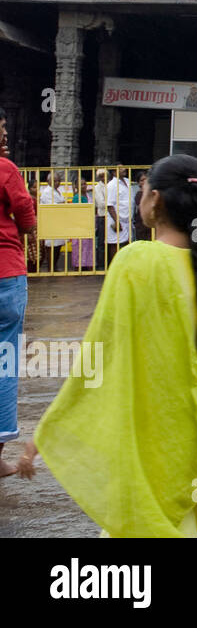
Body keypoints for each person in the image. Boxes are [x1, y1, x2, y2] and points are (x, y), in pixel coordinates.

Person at [15, 154, 197, 536]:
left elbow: (99, 355)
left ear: (155, 200)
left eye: (142, 191)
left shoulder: (134, 262)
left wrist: (50, 429)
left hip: (153, 421)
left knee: (151, 513)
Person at [0, 107, 36, 477]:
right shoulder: (6, 170)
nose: (6, 136)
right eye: (2, 129)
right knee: (4, 361)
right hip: (6, 276)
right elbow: (25, 213)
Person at [38, 172, 67, 272]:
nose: (56, 182)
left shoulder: (57, 191)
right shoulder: (47, 192)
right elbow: (55, 206)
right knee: (51, 246)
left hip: (58, 222)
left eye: (58, 181)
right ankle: (51, 268)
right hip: (50, 222)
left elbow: (62, 203)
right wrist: (62, 204)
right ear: (48, 181)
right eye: (54, 180)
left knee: (58, 246)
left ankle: (54, 266)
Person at [104, 167, 131, 265]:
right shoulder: (111, 185)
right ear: (114, 172)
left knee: (125, 243)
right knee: (115, 243)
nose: (124, 169)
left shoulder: (127, 182)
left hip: (127, 219)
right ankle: (114, 266)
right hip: (116, 219)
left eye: (123, 167)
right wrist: (117, 221)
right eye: (120, 168)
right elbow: (110, 205)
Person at [91, 168, 108, 269]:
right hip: (102, 216)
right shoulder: (97, 188)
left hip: (109, 215)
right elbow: (101, 204)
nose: (103, 177)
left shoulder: (108, 186)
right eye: (101, 175)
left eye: (105, 175)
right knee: (101, 241)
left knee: (109, 240)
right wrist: (112, 204)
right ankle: (101, 264)